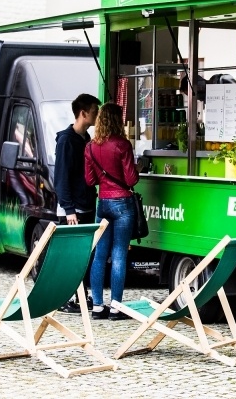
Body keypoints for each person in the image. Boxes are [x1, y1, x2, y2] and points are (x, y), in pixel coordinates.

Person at [85, 103, 140, 320]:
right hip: (123, 203)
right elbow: (131, 179)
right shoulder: (122, 145)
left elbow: (89, 180)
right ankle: (116, 307)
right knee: (119, 255)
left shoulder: (89, 147)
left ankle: (98, 306)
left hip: (103, 203)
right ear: (118, 120)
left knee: (100, 255)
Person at [54, 93, 100, 313]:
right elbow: (61, 177)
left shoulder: (87, 139)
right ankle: (63, 297)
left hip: (87, 204)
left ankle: (81, 296)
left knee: (83, 256)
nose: (97, 115)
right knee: (70, 255)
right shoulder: (66, 140)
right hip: (72, 210)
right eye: (94, 111)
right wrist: (69, 209)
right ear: (83, 113)